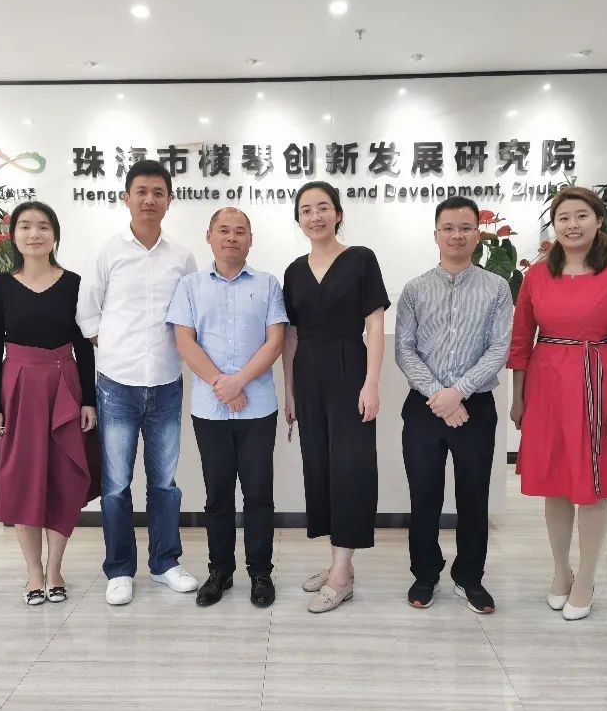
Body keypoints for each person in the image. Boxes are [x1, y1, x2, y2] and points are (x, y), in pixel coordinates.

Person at [508, 185, 607, 621]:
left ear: (598, 221)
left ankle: (585, 577)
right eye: (563, 218)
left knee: (591, 487)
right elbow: (520, 341)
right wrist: (517, 398)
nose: (572, 225)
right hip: (547, 387)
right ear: (554, 225)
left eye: (581, 216)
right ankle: (560, 571)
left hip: (597, 385)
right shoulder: (536, 276)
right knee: (554, 483)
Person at [76, 159, 199, 606]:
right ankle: (119, 570)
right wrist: (113, 348)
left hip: (166, 381)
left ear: (169, 200)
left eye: (158, 192)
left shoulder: (182, 257)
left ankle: (165, 564)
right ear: (126, 198)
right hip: (117, 385)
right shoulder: (108, 252)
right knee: (115, 485)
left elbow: (191, 315)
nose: (149, 200)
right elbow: (87, 313)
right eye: (141, 192)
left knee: (165, 483)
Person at [395, 196, 512, 615]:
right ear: (436, 235)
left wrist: (459, 392)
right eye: (448, 228)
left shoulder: (497, 288)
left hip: (475, 407)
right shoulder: (415, 289)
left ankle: (470, 576)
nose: (457, 235)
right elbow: (404, 350)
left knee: (473, 496)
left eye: (465, 228)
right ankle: (425, 574)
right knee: (424, 496)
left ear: (478, 234)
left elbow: (499, 348)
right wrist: (440, 396)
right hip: (424, 407)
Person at [0, 201, 99, 606]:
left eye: (43, 226)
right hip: (17, 390)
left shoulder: (74, 283)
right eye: (26, 226)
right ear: (13, 236)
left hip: (65, 387)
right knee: (22, 480)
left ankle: (55, 569)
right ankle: (33, 572)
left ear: (55, 235)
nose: (34, 234)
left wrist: (89, 401)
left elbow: (84, 346)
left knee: (63, 478)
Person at [166, 207, 287, 608]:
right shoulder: (189, 286)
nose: (231, 237)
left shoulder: (268, 284)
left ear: (250, 240)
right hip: (211, 409)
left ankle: (260, 573)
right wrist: (223, 384)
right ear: (209, 236)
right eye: (224, 230)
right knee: (217, 495)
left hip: (258, 409)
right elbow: (184, 342)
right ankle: (220, 571)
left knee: (258, 495)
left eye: (240, 231)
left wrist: (239, 382)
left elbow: (275, 342)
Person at [282, 181, 389, 614]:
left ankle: (341, 575)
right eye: (306, 210)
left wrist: (371, 382)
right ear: (299, 220)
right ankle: (336, 563)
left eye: (323, 207)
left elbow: (375, 324)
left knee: (351, 468)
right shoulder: (294, 271)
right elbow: (291, 335)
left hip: (349, 371)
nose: (315, 216)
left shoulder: (361, 259)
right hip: (308, 375)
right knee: (321, 468)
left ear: (338, 214)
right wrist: (289, 391)